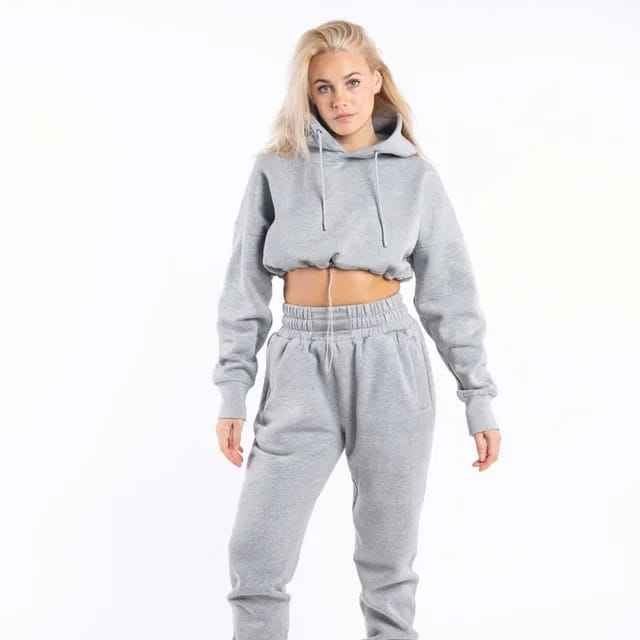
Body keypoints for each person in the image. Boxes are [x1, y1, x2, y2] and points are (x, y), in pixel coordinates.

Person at [213, 19, 501, 640]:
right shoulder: (276, 168)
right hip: (300, 360)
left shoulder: (415, 176)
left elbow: (450, 293)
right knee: (256, 555)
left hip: (388, 358)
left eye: (350, 82)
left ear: (376, 80)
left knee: (387, 563)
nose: (339, 99)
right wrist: (233, 389)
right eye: (322, 88)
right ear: (307, 95)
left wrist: (477, 396)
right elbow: (244, 286)